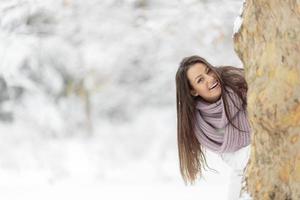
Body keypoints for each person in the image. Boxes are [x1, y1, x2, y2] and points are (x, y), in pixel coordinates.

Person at [175, 55, 252, 200]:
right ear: (193, 91)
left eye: (208, 71)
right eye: (200, 80)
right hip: (244, 170)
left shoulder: (241, 84)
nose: (210, 79)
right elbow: (233, 159)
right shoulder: (202, 126)